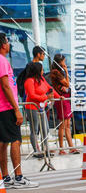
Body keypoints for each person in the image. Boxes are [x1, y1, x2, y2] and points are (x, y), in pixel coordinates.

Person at [0, 33, 38, 188]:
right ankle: (18, 177)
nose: (9, 44)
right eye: (8, 41)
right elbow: (5, 86)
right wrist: (16, 109)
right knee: (16, 140)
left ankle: (6, 178)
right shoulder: (2, 61)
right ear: (3, 45)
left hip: (2, 108)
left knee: (3, 143)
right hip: (6, 107)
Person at [23, 62, 60, 159]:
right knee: (35, 130)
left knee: (45, 129)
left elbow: (50, 88)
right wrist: (46, 97)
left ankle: (45, 149)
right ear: (37, 71)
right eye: (42, 69)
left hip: (41, 107)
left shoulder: (41, 79)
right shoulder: (29, 81)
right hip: (32, 107)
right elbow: (32, 95)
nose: (43, 71)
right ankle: (36, 151)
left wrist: (59, 97)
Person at [48, 54, 79, 155]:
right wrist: (66, 71)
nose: (65, 63)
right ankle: (62, 148)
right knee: (62, 124)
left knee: (67, 124)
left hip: (65, 98)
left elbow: (67, 84)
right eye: (63, 61)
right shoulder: (56, 72)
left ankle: (71, 147)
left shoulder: (58, 71)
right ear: (59, 62)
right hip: (61, 98)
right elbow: (66, 84)